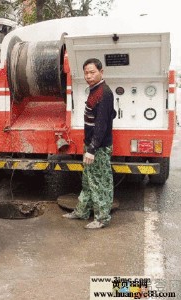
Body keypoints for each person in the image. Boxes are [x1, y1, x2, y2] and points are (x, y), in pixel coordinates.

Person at [63, 58, 116, 229]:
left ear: (102, 72)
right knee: (87, 181)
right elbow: (111, 114)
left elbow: (101, 124)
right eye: (86, 72)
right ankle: (82, 211)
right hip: (92, 145)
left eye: (92, 72)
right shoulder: (95, 90)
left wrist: (92, 149)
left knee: (100, 183)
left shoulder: (104, 93)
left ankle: (102, 219)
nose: (88, 76)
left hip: (98, 148)